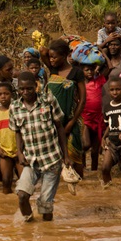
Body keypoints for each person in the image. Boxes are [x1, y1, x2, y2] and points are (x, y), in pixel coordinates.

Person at [10, 72, 71, 222]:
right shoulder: (15, 107)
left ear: (35, 86)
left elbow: (59, 127)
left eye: (29, 89)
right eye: (21, 89)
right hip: (30, 159)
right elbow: (17, 132)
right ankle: (28, 226)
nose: (25, 92)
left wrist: (66, 155)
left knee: (45, 204)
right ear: (18, 89)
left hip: (51, 159)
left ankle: (47, 235)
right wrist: (19, 152)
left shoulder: (48, 100)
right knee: (22, 195)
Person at [41, 39, 87, 177]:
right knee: (54, 156)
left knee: (75, 156)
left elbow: (82, 99)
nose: (52, 59)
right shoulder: (53, 68)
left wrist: (72, 122)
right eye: (50, 57)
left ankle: (80, 185)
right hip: (52, 120)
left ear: (65, 55)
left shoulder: (76, 73)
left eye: (55, 57)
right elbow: (42, 51)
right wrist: (50, 50)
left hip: (71, 119)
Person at [0, 82, 22, 194]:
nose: (3, 96)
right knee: (6, 181)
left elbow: (24, 131)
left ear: (11, 94)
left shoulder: (17, 109)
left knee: (24, 182)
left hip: (20, 151)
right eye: (0, 94)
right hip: (4, 152)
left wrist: (21, 150)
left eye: (6, 93)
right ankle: (8, 207)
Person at [82, 60, 112, 171]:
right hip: (85, 118)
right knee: (85, 145)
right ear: (82, 71)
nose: (89, 72)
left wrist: (102, 52)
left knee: (95, 150)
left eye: (91, 70)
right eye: (86, 70)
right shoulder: (80, 84)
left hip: (98, 118)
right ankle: (82, 166)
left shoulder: (99, 81)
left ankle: (94, 171)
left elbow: (110, 67)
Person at [101, 77, 121, 189]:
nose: (115, 92)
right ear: (108, 91)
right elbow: (109, 125)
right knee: (105, 168)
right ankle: (108, 190)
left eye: (118, 89)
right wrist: (104, 137)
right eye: (112, 90)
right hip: (112, 143)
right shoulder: (107, 107)